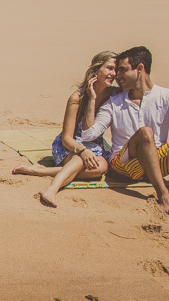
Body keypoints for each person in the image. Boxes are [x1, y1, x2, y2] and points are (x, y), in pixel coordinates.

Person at [78, 46, 169, 215]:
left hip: (156, 164)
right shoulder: (114, 102)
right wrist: (92, 100)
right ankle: (163, 194)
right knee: (145, 133)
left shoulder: (168, 96)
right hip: (123, 166)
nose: (117, 76)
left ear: (140, 68)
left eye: (123, 70)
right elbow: (89, 134)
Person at [12, 51, 118, 207]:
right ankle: (51, 189)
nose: (113, 74)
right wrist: (83, 150)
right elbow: (67, 137)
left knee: (100, 168)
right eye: (109, 68)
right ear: (96, 70)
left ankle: (39, 171)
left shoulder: (115, 94)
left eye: (116, 70)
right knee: (80, 160)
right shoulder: (78, 97)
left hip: (96, 145)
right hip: (70, 145)